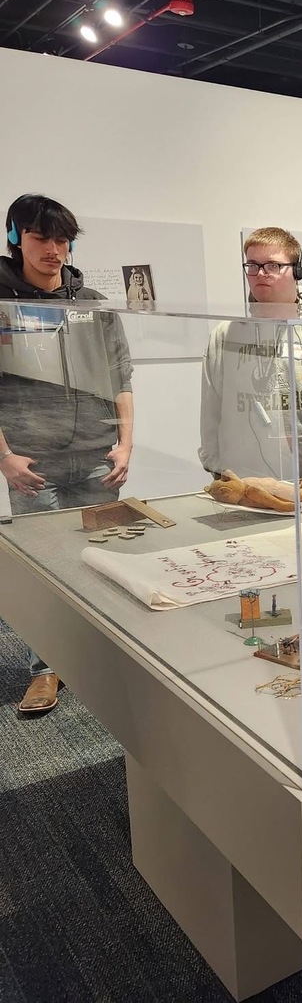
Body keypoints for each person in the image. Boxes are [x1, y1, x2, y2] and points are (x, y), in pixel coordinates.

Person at [0, 193, 134, 714]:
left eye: (62, 239)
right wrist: (5, 457)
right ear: (15, 238)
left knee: (107, 560)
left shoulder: (92, 301)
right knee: (47, 570)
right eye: (40, 238)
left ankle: (107, 656)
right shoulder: (3, 302)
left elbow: (121, 374)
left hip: (99, 455)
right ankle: (46, 668)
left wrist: (125, 442)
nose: (54, 250)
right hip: (35, 463)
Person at [198, 226, 302, 480]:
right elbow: (211, 404)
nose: (260, 274)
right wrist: (214, 463)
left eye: (273, 266)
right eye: (252, 265)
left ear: (297, 271)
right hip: (242, 477)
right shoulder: (225, 334)